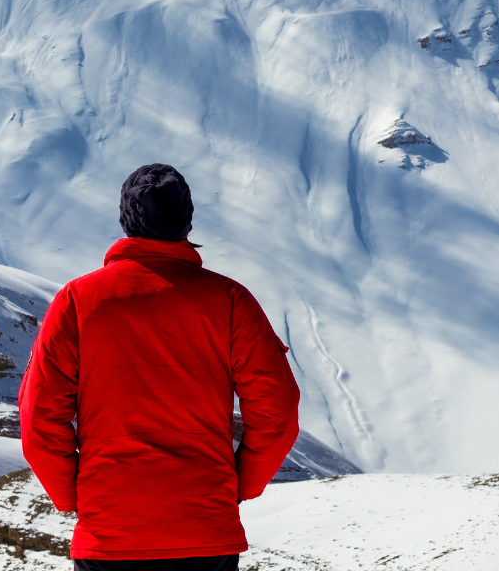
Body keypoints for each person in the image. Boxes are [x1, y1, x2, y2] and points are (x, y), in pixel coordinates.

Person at [19, 163, 300, 571]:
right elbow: (277, 409)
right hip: (204, 532)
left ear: (125, 219)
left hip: (110, 535)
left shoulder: (78, 300)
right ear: (187, 219)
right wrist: (239, 485)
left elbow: (39, 415)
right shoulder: (230, 300)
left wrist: (73, 496)